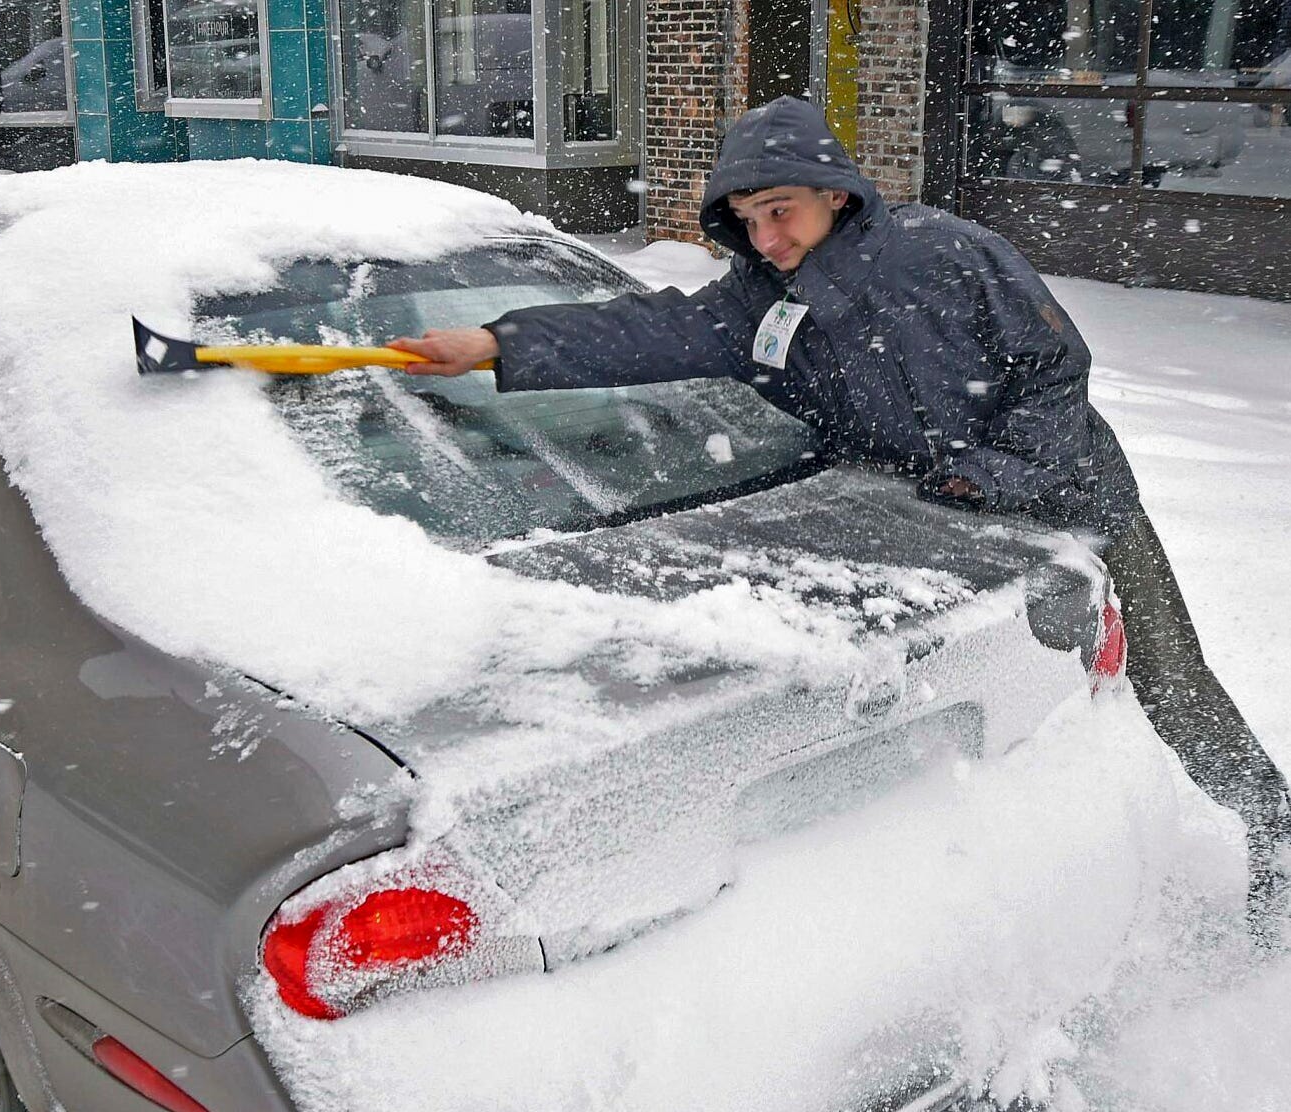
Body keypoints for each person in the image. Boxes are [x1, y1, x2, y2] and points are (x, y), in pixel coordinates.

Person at [387, 95, 1291, 942]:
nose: (765, 237)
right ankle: (1033, 863)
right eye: (747, 220)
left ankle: (1275, 842)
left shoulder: (947, 253)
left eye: (780, 211)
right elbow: (642, 332)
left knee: (1172, 686)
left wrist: (996, 476)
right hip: (945, 523)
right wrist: (496, 343)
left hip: (1069, 500)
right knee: (1028, 707)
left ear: (835, 194)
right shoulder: (760, 302)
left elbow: (1054, 369)